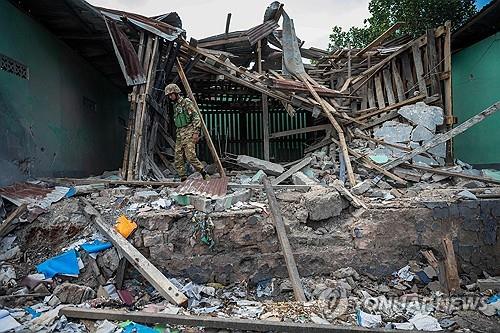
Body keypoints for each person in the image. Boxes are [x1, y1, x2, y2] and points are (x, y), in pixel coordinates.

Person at [165, 83, 208, 181]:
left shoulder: (186, 102)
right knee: (178, 157)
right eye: (169, 95)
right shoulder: (175, 105)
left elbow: (196, 116)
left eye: (171, 94)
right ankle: (183, 178)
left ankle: (203, 173)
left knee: (190, 156)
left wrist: (196, 132)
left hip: (189, 130)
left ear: (176, 93)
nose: (170, 97)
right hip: (180, 132)